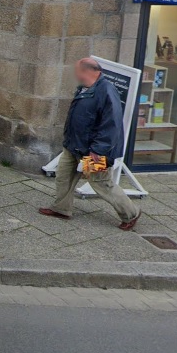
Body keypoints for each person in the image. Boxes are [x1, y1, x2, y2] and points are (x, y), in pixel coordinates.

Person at [39, 57, 141, 230]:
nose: (75, 74)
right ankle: (61, 208)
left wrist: (98, 151)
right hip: (74, 145)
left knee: (100, 182)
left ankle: (131, 213)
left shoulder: (107, 92)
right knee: (64, 176)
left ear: (86, 71)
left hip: (94, 151)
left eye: (77, 70)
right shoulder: (84, 88)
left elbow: (111, 126)